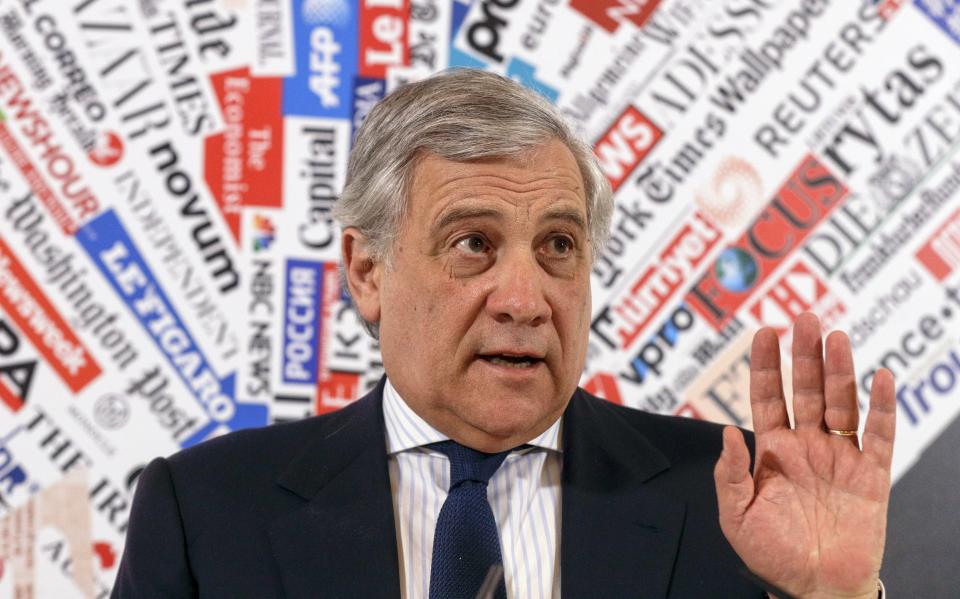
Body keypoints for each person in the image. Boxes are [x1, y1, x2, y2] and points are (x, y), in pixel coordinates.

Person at [111, 69, 896, 599]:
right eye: (473, 243)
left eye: (558, 244)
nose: (525, 298)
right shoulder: (204, 512)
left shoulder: (737, 499)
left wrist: (837, 597)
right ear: (366, 269)